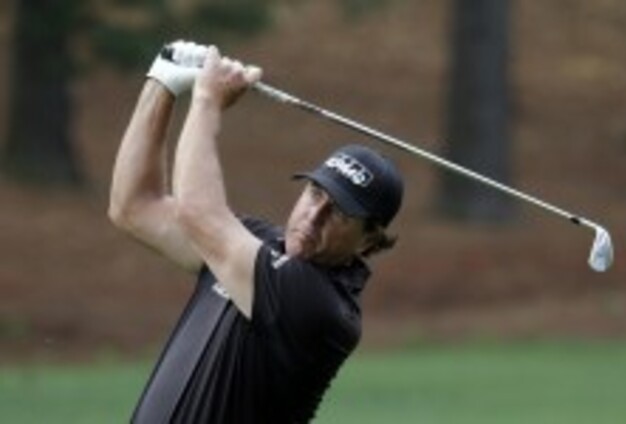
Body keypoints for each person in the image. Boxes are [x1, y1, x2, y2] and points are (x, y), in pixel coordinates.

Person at [109, 40, 404, 423]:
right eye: (315, 193)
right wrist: (162, 83)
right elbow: (134, 207)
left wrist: (207, 101)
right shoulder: (256, 242)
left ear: (369, 240)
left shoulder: (321, 306)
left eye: (339, 213)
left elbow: (199, 213)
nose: (313, 216)